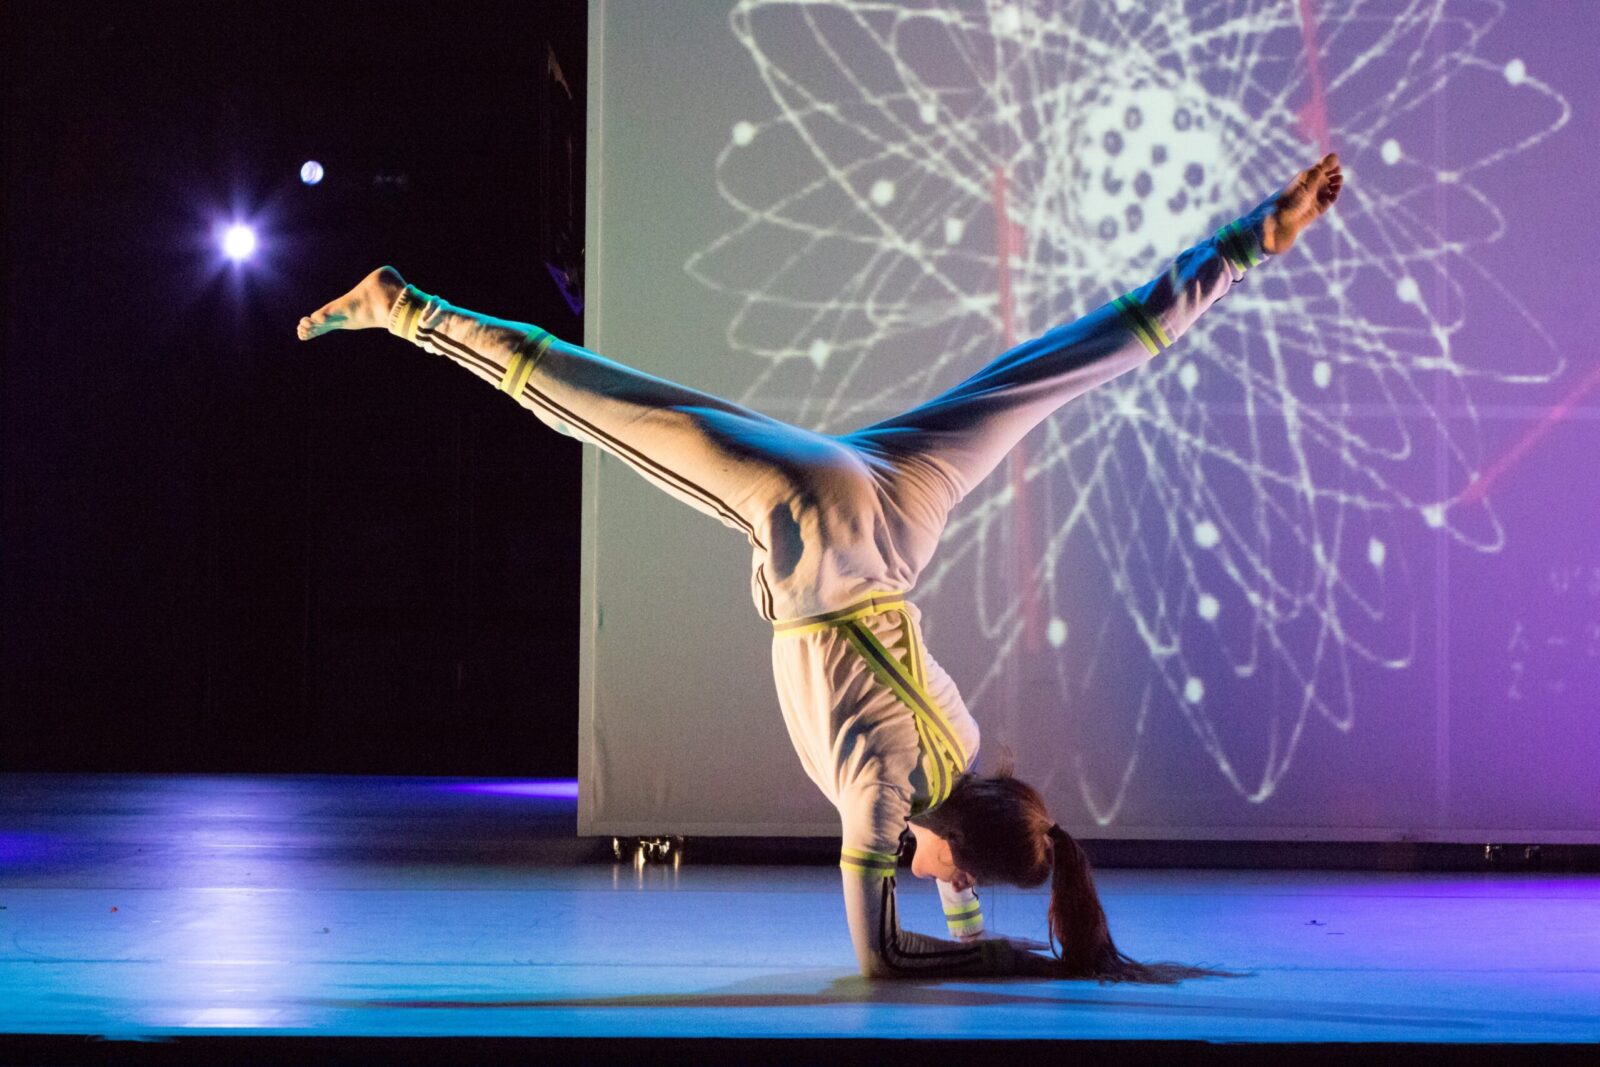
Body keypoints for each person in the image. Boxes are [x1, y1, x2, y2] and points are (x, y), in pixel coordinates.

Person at [299, 155, 1344, 981]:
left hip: (896, 507)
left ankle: (1251, 241)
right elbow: (877, 957)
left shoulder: (962, 747)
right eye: (958, 885)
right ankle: (406, 307)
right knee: (598, 407)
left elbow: (955, 846)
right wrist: (983, 958)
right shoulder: (883, 795)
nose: (933, 884)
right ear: (956, 851)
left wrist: (980, 923)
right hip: (810, 525)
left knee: (1059, 369)